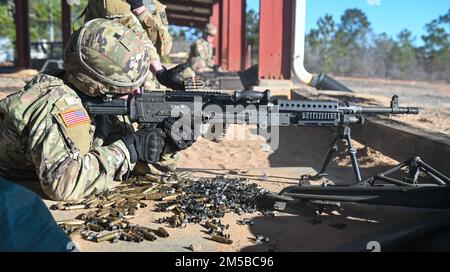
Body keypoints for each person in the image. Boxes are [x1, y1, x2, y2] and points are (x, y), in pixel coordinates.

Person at [0, 19, 195, 201]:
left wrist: (166, 144)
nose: (137, 91)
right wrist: (128, 148)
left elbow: (128, 164)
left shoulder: (101, 104)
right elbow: (63, 185)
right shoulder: (58, 105)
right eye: (126, 87)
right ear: (98, 85)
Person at [84, 0, 177, 90]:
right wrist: (160, 72)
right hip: (110, 80)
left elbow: (163, 46)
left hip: (140, 78)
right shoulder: (113, 5)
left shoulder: (153, 6)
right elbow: (138, 40)